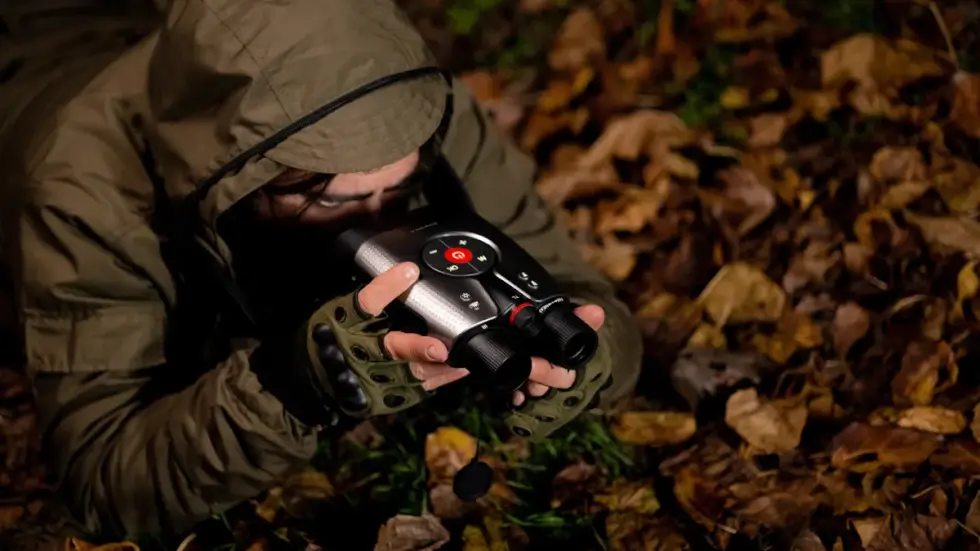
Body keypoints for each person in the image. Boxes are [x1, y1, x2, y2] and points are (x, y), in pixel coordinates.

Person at [0, 0, 642, 545]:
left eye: (398, 191)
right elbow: (104, 484)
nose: (374, 229)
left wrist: (587, 357)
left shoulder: (415, 112)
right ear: (235, 184)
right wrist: (291, 388)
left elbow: (584, 297)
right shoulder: (83, 194)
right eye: (328, 202)